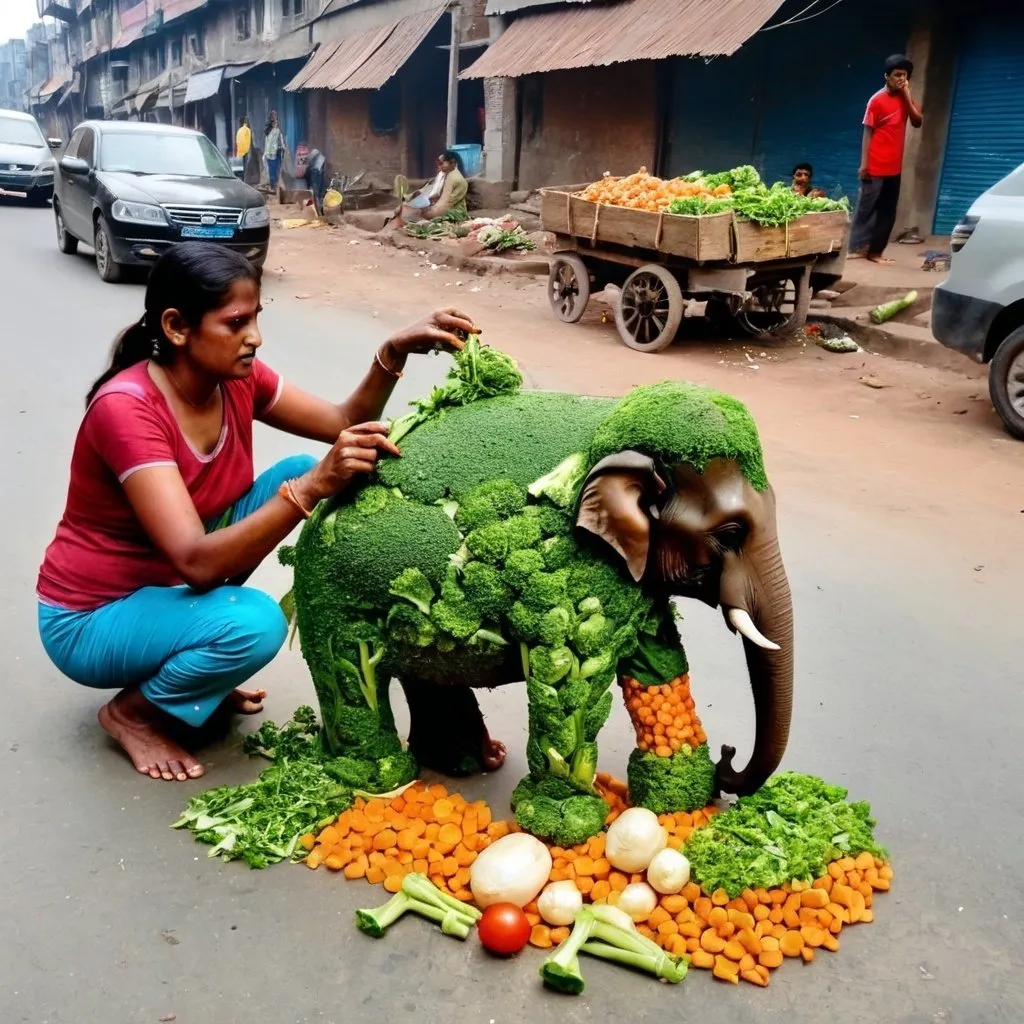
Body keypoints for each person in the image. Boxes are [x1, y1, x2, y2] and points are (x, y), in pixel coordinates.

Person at [36, 242, 477, 783]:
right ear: (176, 327)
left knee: (296, 465)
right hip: (90, 618)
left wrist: (392, 353)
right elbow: (196, 564)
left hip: (167, 584)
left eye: (257, 318)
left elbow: (344, 419)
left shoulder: (237, 378)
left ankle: (194, 659)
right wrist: (312, 488)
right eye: (237, 322)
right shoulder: (127, 410)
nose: (255, 338)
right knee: (255, 622)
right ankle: (132, 713)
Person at [849, 54, 924, 265]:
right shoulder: (876, 100)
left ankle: (876, 252)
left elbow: (917, 121)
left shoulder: (905, 98)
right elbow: (868, 132)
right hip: (875, 165)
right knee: (866, 208)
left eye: (904, 75)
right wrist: (864, 163)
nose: (901, 78)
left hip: (894, 167)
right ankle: (856, 248)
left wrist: (907, 95)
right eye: (897, 75)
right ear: (886, 76)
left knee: (887, 211)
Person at [391, 151, 469, 228]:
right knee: (403, 209)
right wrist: (408, 199)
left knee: (407, 213)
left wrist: (425, 213)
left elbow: (444, 205)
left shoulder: (453, 178)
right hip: (434, 205)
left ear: (452, 163)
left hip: (452, 213)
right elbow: (425, 192)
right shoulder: (442, 176)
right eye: (438, 163)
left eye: (441, 163)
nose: (438, 166)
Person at [264, 111, 284, 190]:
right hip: (273, 153)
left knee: (273, 169)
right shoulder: (275, 131)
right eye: (275, 120)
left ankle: (274, 184)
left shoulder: (268, 131)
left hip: (271, 153)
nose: (277, 122)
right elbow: (276, 142)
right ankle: (274, 185)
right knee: (274, 169)